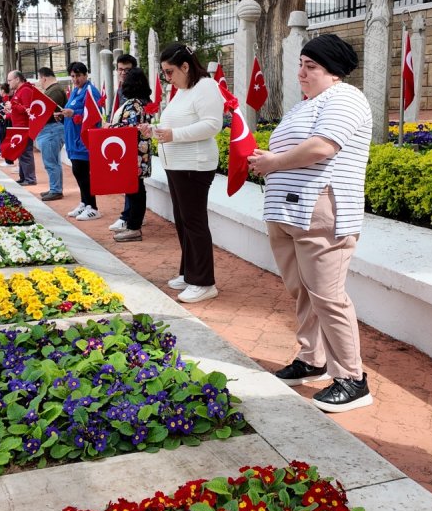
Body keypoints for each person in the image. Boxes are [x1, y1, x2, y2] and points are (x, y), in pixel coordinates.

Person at [246, 34, 373, 413]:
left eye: (311, 66)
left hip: (322, 212)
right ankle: (311, 359)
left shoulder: (346, 98)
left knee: (328, 296)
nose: (301, 73)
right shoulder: (306, 105)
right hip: (287, 214)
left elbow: (323, 147)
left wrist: (273, 162)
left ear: (333, 72)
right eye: (301, 64)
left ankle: (352, 378)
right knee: (302, 291)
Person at [153, 43, 223, 304]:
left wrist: (173, 135)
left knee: (194, 222)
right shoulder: (183, 91)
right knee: (183, 220)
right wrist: (156, 130)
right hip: (176, 165)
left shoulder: (205, 86)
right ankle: (189, 272)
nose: (167, 78)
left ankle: (204, 282)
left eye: (170, 72)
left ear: (185, 66)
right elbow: (176, 123)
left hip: (194, 165)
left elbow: (212, 125)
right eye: (164, 73)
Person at [107, 68, 155, 242]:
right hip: (138, 154)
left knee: (135, 191)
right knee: (136, 190)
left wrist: (110, 129)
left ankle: (134, 227)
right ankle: (132, 225)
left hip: (132, 155)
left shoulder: (133, 104)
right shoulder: (143, 103)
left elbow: (128, 130)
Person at [60, 62, 104, 220]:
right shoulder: (75, 91)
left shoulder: (91, 91)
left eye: (78, 75)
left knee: (83, 173)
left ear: (86, 75)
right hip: (73, 139)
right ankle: (85, 203)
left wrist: (74, 112)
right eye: (73, 76)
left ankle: (93, 207)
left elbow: (96, 113)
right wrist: (64, 113)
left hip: (84, 140)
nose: (76, 79)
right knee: (78, 172)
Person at [37, 67, 69, 201]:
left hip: (51, 130)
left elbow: (48, 110)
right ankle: (54, 188)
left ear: (44, 77)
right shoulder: (53, 90)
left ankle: (56, 190)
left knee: (51, 162)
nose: (40, 82)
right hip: (50, 130)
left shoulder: (55, 90)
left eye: (40, 79)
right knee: (53, 161)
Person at [6, 70, 38, 185]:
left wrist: (13, 105)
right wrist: (8, 114)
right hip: (19, 127)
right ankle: (24, 177)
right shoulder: (19, 91)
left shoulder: (25, 90)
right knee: (21, 153)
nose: (8, 83)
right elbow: (19, 109)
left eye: (10, 80)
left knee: (26, 153)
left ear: (17, 79)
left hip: (24, 127)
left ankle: (30, 179)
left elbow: (27, 109)